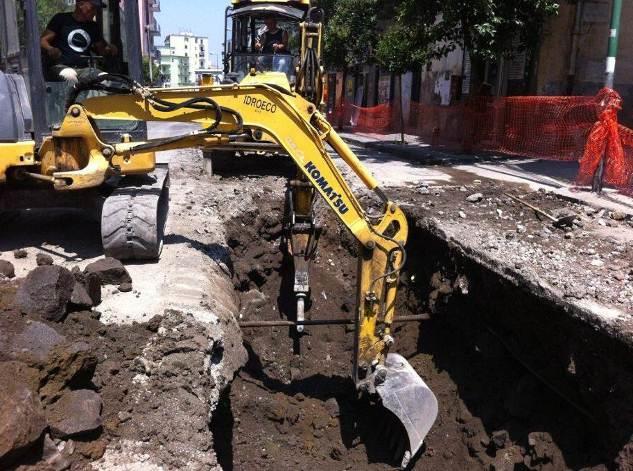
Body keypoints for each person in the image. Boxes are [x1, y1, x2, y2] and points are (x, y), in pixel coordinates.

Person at [40, 0, 118, 84]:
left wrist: (110, 49)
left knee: (104, 78)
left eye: (96, 9)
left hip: (84, 69)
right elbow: (42, 40)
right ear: (80, 4)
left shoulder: (93, 27)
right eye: (93, 8)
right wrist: (50, 49)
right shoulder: (61, 19)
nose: (95, 12)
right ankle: (70, 97)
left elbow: (102, 50)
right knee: (70, 76)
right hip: (61, 66)